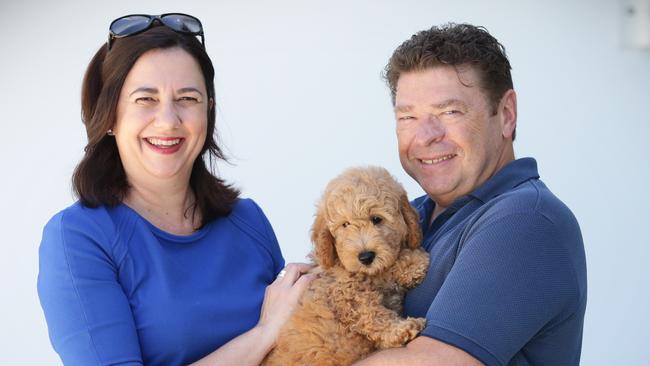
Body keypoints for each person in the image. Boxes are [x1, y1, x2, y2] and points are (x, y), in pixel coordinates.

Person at [37, 14, 313, 366]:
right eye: (145, 99)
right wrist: (264, 332)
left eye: (187, 98)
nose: (168, 120)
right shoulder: (78, 238)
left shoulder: (249, 220)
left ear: (208, 111)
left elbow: (296, 347)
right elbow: (275, 331)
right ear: (109, 115)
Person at [355, 23, 587, 366]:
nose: (426, 136)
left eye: (450, 112)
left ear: (506, 115)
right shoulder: (408, 217)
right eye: (408, 116)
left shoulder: (525, 219)